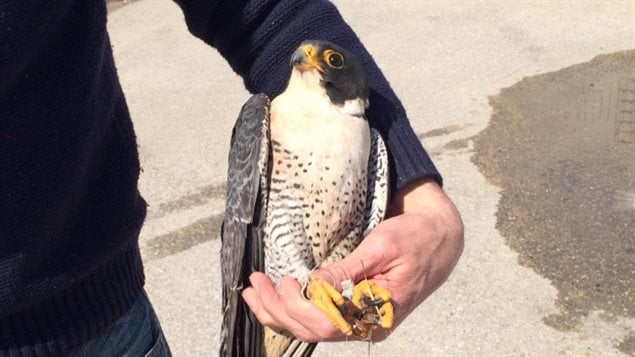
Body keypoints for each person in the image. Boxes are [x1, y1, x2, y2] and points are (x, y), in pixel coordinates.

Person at [0, 0, 463, 355]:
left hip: (90, 321)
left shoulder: (330, 125)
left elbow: (267, 11)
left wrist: (422, 202)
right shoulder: (262, 120)